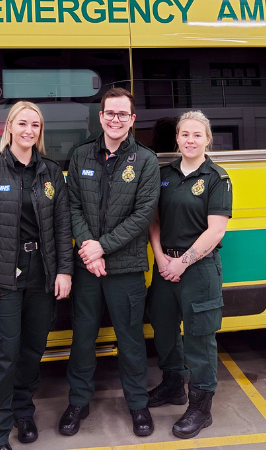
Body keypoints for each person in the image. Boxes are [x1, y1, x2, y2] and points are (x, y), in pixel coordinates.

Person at [0, 101, 73, 450]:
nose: (29, 130)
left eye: (36, 125)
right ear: (9, 126)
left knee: (31, 351)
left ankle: (23, 412)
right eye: (23, 123)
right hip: (2, 277)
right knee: (3, 356)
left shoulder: (51, 173)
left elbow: (61, 227)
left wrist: (63, 271)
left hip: (41, 274)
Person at [59, 88, 160, 437]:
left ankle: (138, 405)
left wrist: (100, 248)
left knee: (130, 340)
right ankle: (78, 402)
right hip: (88, 268)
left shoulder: (145, 160)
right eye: (110, 113)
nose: (115, 119)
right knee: (82, 338)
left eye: (123, 114)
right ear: (100, 117)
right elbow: (72, 205)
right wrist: (88, 247)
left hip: (127, 268)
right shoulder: (81, 155)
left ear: (133, 120)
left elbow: (142, 214)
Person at [146, 111, 232, 439]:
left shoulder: (216, 178)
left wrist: (181, 263)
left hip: (198, 269)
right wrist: (161, 259)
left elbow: (215, 231)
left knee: (199, 339)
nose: (190, 140)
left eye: (197, 135)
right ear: (177, 138)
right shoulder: (163, 174)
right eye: (184, 134)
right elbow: (153, 221)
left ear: (207, 139)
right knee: (164, 330)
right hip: (165, 266)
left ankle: (200, 406)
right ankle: (172, 386)